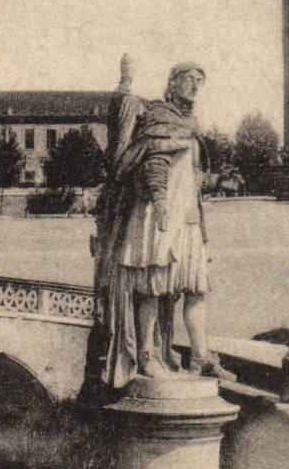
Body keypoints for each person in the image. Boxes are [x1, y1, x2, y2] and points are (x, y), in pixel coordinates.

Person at [94, 59, 234, 386]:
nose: (195, 85)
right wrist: (158, 200)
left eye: (200, 80)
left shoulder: (192, 125)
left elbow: (190, 177)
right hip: (160, 218)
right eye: (189, 79)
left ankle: (200, 357)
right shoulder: (158, 117)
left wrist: (215, 184)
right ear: (172, 84)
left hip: (189, 221)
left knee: (196, 289)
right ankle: (146, 356)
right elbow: (153, 162)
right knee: (154, 289)